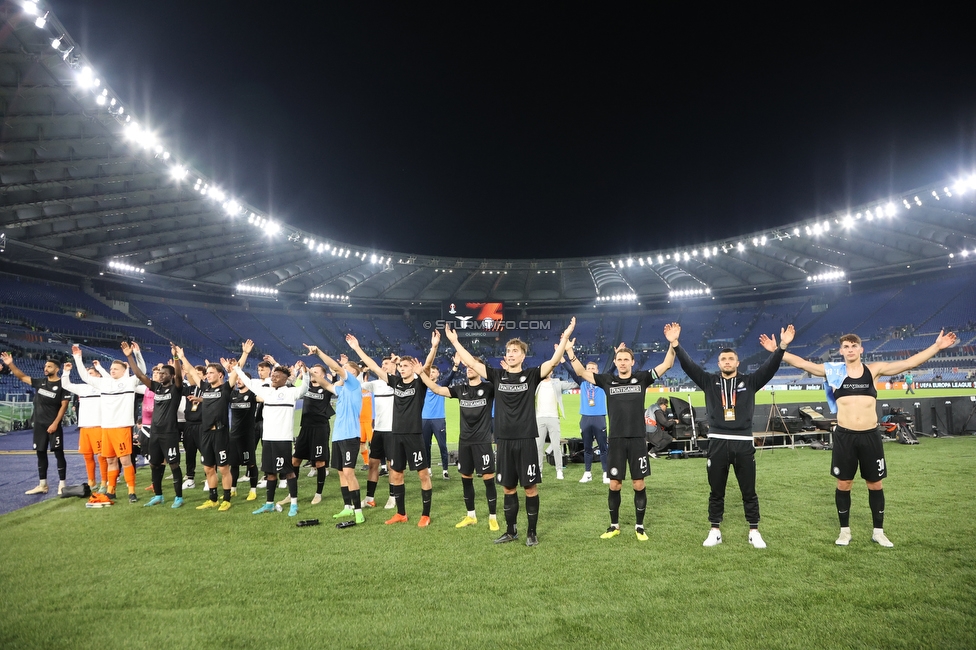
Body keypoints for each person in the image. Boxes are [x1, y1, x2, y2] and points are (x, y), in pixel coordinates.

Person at [767, 327, 956, 547]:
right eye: (846, 346)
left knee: (875, 484)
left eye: (853, 346)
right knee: (844, 483)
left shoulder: (874, 370)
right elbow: (802, 364)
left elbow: (909, 363)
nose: (850, 349)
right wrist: (780, 348)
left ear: (861, 349)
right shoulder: (834, 372)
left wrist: (937, 346)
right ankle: (845, 531)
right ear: (841, 350)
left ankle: (878, 531)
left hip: (870, 436)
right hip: (845, 437)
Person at [445, 316, 576, 547]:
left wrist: (564, 338)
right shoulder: (497, 376)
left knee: (530, 487)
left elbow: (554, 362)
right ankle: (511, 530)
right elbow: (473, 364)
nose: (511, 354)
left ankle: (532, 532)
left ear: (523, 356)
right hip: (503, 441)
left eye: (515, 351)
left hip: (526, 439)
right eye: (508, 351)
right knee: (508, 487)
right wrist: (455, 342)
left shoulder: (533, 375)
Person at [673, 325, 794, 548]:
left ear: (737, 363)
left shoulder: (750, 382)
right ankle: (714, 530)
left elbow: (770, 368)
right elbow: (689, 367)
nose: (727, 362)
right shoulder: (709, 381)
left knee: (749, 490)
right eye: (723, 359)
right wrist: (676, 345)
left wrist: (782, 347)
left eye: (731, 359)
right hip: (717, 442)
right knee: (716, 490)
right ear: (718, 364)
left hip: (744, 443)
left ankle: (754, 531)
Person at [566, 328, 676, 541]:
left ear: (632, 362)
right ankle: (614, 526)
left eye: (626, 359)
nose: (623, 362)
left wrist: (672, 344)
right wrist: (571, 352)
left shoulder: (642, 379)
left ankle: (639, 527)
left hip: (636, 440)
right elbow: (580, 372)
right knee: (615, 484)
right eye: (619, 359)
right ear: (615, 362)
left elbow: (667, 364)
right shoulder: (607, 381)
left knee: (639, 484)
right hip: (615, 440)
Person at [347, 332, 438, 527]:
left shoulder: (419, 383)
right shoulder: (395, 383)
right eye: (401, 366)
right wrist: (356, 348)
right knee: (396, 474)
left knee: (422, 475)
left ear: (413, 368)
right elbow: (372, 365)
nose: (403, 369)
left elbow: (428, 366)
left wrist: (434, 347)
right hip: (396, 435)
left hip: (414, 435)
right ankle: (401, 513)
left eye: (406, 366)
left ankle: (425, 514)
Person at [418, 357, 499, 530]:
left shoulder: (489, 388)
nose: (468, 369)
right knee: (466, 478)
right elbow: (437, 389)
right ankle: (471, 516)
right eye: (467, 366)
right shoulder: (460, 389)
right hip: (465, 442)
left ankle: (493, 517)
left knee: (488, 479)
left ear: (480, 369)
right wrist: (421, 374)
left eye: (472, 366)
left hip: (483, 441)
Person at [236, 342, 310, 517]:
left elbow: (304, 388)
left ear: (285, 379)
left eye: (277, 376)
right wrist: (238, 367)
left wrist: (305, 373)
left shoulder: (291, 393)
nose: (274, 378)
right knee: (270, 473)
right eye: (273, 375)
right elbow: (246, 380)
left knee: (288, 472)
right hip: (268, 438)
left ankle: (293, 503)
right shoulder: (266, 392)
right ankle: (269, 503)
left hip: (283, 439)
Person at [73, 343, 145, 502]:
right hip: (106, 429)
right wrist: (77, 358)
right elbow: (85, 377)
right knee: (111, 460)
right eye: (111, 368)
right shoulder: (103, 383)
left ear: (124, 371)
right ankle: (111, 490)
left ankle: (131, 492)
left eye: (116, 368)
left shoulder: (130, 382)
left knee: (125, 460)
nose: (112, 370)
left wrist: (135, 354)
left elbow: (142, 372)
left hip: (121, 428)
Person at [304, 344, 365, 525]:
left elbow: (337, 368)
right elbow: (326, 385)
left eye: (347, 369)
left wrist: (319, 352)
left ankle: (358, 511)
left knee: (349, 472)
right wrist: (310, 373)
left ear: (354, 373)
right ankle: (347, 508)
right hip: (338, 436)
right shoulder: (343, 389)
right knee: (340, 472)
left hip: (350, 436)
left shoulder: (354, 385)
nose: (343, 371)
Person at [123, 342, 186, 508]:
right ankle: (159, 495)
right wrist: (129, 356)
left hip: (169, 433)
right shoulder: (156, 388)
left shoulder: (176, 389)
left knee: (173, 464)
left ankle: (178, 497)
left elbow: (179, 377)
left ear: (171, 376)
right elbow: (139, 375)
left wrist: (175, 358)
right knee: (154, 464)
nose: (160, 375)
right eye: (159, 373)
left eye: (164, 373)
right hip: (155, 432)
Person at [179, 350, 241, 511]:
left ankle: (226, 499)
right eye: (207, 373)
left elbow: (235, 373)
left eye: (212, 373)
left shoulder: (226, 388)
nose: (208, 375)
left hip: (220, 433)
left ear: (221, 375)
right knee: (208, 468)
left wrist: (245, 354)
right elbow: (192, 371)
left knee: (223, 468)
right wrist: (182, 357)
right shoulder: (205, 388)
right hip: (205, 433)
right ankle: (213, 499)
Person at [1, 352, 70, 495]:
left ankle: (62, 484)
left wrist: (55, 423)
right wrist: (10, 364)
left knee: (58, 453)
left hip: (53, 425)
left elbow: (64, 406)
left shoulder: (63, 385)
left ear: (57, 369)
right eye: (45, 366)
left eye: (49, 366)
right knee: (40, 453)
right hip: (39, 425)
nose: (46, 368)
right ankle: (42, 485)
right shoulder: (40, 382)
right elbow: (21, 376)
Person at [61, 359, 107, 493]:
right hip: (84, 427)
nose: (88, 375)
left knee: (101, 456)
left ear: (99, 375)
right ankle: (91, 481)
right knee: (87, 456)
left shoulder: (103, 386)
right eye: (87, 373)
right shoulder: (82, 388)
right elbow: (66, 384)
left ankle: (104, 481)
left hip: (98, 426)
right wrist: (66, 371)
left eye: (91, 373)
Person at [362, 356, 397, 509]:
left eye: (387, 364)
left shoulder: (399, 382)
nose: (383, 366)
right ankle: (369, 498)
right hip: (378, 430)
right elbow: (358, 385)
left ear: (395, 366)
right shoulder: (375, 384)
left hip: (393, 431)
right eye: (382, 364)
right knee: (373, 464)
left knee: (392, 466)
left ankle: (393, 496)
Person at [572, 360, 609, 484]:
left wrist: (615, 357)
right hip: (586, 418)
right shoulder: (582, 382)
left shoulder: (602, 382)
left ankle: (606, 473)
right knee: (587, 448)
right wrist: (562, 360)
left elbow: (612, 370)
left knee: (603, 448)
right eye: (589, 368)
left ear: (597, 371)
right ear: (585, 370)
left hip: (599, 418)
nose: (591, 370)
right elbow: (571, 371)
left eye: (593, 368)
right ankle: (587, 473)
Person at [422, 359, 458, 480]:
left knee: (442, 446)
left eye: (434, 372)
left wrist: (455, 365)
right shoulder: (422, 386)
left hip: (438, 419)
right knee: (426, 446)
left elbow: (450, 378)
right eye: (430, 372)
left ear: (438, 374)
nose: (431, 373)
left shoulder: (441, 385)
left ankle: (445, 470)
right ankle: (428, 470)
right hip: (424, 419)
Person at [228, 371, 259, 502]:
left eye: (241, 379)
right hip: (234, 435)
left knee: (250, 464)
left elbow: (263, 398)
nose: (238, 381)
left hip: (247, 436)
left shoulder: (252, 395)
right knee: (233, 464)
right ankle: (233, 489)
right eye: (237, 379)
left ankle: (253, 490)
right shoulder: (233, 394)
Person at [535, 372, 566, 480]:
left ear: (552, 371)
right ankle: (539, 471)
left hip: (553, 417)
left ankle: (559, 470)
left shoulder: (557, 383)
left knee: (556, 446)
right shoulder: (536, 383)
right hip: (539, 418)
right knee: (538, 446)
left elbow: (573, 384)